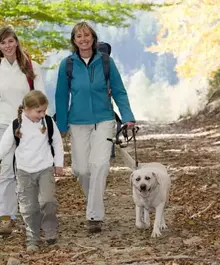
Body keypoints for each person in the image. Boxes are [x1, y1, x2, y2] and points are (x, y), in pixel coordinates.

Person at [55, 22, 136, 233]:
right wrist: (61, 125)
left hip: (104, 120)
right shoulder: (68, 64)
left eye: (87, 35)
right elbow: (61, 96)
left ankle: (94, 216)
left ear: (93, 37)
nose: (83, 39)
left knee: (99, 165)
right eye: (79, 36)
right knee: (81, 169)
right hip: (77, 121)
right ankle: (96, 201)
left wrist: (127, 117)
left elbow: (119, 91)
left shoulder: (106, 62)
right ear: (74, 40)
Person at [0, 25, 45, 236]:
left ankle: (34, 213)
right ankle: (7, 217)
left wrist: (44, 124)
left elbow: (42, 98)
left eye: (10, 41)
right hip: (3, 124)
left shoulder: (31, 66)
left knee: (30, 168)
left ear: (16, 42)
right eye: (3, 42)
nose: (7, 46)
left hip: (30, 124)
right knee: (8, 169)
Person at [0, 90, 64, 253]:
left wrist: (59, 164)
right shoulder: (16, 125)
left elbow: (57, 143)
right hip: (24, 172)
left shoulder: (48, 122)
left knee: (47, 201)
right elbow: (5, 144)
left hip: (45, 169)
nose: (42, 114)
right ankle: (33, 238)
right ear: (27, 109)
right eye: (39, 111)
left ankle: (49, 229)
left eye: (44, 110)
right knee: (29, 207)